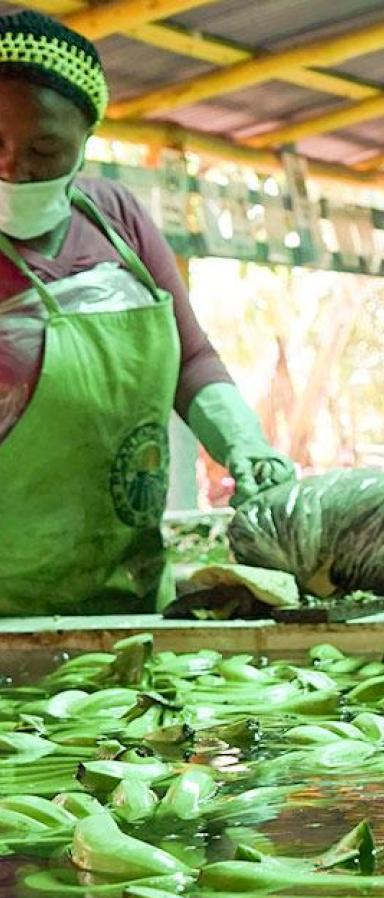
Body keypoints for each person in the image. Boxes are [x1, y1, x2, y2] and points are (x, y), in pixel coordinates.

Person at [0, 12, 292, 617]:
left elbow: (192, 358)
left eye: (44, 149)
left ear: (86, 139)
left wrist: (245, 447)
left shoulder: (117, 220)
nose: (12, 168)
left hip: (128, 597)